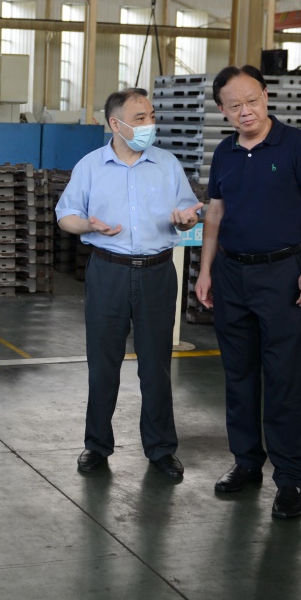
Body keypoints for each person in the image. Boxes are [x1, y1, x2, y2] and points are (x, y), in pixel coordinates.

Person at [194, 64, 301, 519]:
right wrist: (206, 270)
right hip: (231, 274)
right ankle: (246, 462)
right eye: (234, 105)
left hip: (282, 274)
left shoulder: (296, 145)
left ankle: (290, 479)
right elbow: (215, 215)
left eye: (252, 100)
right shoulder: (225, 152)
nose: (245, 111)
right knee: (238, 375)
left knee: (282, 378)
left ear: (266, 96)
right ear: (222, 111)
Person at [56, 88, 201, 480]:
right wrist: (87, 224)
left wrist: (187, 219)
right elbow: (65, 215)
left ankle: (161, 449)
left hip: (157, 272)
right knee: (103, 365)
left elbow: (187, 211)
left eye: (151, 116)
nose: (149, 124)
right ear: (114, 124)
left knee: (156, 367)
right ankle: (96, 445)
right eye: (140, 118)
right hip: (109, 271)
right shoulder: (90, 166)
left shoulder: (167, 164)